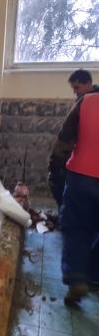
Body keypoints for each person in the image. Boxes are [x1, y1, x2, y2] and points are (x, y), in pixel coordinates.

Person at [48, 92, 99, 305]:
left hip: (81, 177)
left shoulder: (87, 102)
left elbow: (65, 140)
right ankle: (94, 275)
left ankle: (76, 278)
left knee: (76, 228)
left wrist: (55, 167)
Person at [48, 69, 99, 209]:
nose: (75, 92)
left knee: (57, 181)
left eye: (77, 87)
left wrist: (54, 164)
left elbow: (66, 138)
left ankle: (64, 213)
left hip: (84, 171)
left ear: (88, 84)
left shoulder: (84, 103)